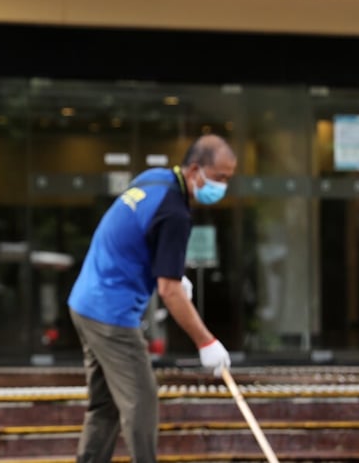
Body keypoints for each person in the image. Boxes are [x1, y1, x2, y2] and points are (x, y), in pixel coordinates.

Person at [66, 133, 236, 463]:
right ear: (195, 170)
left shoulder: (155, 178)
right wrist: (207, 342)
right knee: (141, 401)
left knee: (107, 404)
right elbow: (168, 291)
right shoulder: (175, 214)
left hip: (85, 301)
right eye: (220, 178)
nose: (224, 187)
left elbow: (137, 231)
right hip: (110, 314)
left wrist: (171, 270)